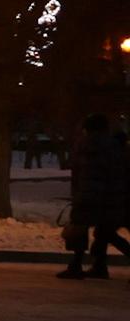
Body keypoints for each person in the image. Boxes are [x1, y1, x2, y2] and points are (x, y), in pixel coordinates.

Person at [59, 114, 129, 279]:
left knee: (78, 231)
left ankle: (77, 265)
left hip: (86, 196)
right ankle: (99, 265)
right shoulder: (114, 147)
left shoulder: (83, 145)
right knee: (105, 232)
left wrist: (76, 195)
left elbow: (77, 173)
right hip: (110, 197)